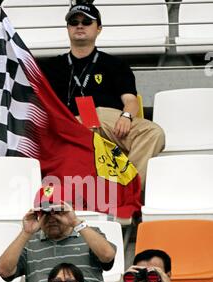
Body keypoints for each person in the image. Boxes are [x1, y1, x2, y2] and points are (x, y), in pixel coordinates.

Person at [39, 2, 165, 187]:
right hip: (69, 123)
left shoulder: (115, 64)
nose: (80, 25)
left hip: (108, 122)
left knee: (154, 133)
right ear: (67, 28)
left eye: (87, 22)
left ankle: (125, 190)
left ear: (98, 29)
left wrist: (127, 116)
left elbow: (130, 100)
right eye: (74, 22)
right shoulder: (50, 67)